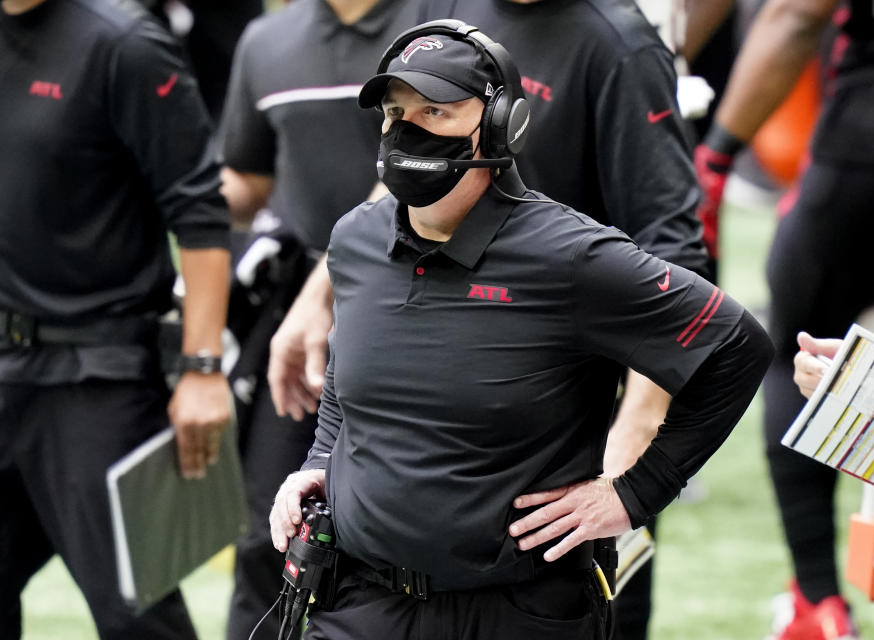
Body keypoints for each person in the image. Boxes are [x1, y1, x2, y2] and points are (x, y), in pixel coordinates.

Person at [268, 19, 773, 640]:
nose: (407, 129)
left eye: (436, 111)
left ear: (503, 125)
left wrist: (637, 492)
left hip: (520, 613)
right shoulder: (355, 240)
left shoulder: (571, 257)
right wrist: (321, 460)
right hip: (361, 603)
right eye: (395, 111)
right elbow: (351, 366)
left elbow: (735, 346)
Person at [374, 3, 713, 635]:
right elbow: (405, 166)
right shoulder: (444, 9)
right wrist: (318, 299)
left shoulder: (619, 43)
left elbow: (673, 248)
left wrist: (633, 440)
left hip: (569, 406)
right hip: (448, 375)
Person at [692, 0, 874, 636]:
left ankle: (817, 598)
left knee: (800, 347)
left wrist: (718, 153)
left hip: (871, 128)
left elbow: (798, 12)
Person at [0, 0, 232, 638]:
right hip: (5, 368)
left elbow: (202, 215)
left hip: (96, 377)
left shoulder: (124, 43)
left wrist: (202, 368)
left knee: (138, 621)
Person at [217, 1, 420, 637]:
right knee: (267, 537)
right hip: (293, 328)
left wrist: (324, 289)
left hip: (413, 303)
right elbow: (248, 181)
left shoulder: (438, 20)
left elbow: (414, 170)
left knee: (398, 541)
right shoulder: (266, 39)